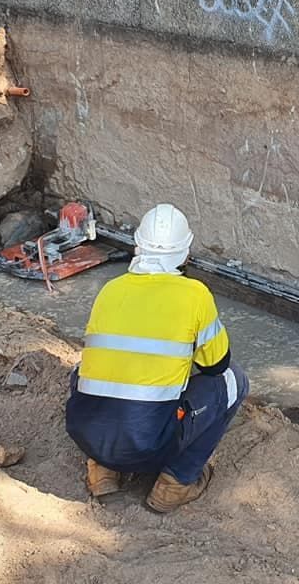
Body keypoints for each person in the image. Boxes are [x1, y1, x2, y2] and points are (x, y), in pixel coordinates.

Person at [65, 204, 249, 512]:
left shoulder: (110, 290)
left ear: (137, 245)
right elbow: (216, 365)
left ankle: (102, 470)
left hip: (86, 434)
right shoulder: (195, 294)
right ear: (185, 253)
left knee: (81, 370)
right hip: (147, 447)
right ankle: (176, 482)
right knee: (235, 380)